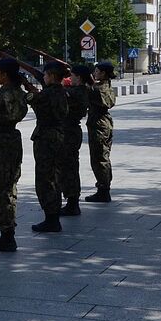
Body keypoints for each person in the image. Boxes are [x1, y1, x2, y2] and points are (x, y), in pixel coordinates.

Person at [0, 59, 29, 252]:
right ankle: (7, 232)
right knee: (8, 186)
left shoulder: (2, 95)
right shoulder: (18, 92)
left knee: (1, 188)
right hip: (12, 139)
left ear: (4, 75)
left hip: (2, 142)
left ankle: (6, 234)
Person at [28, 61, 69, 233]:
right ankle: (52, 217)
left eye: (45, 75)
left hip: (46, 139)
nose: (43, 77)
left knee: (46, 180)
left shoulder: (47, 94)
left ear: (51, 76)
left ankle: (51, 219)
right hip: (57, 137)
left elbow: (30, 99)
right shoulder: (61, 92)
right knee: (54, 177)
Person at [59, 64, 91, 216]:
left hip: (69, 132)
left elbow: (62, 93)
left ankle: (72, 203)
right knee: (69, 166)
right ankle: (72, 201)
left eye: (72, 75)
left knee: (69, 168)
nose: (69, 78)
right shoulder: (80, 90)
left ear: (78, 77)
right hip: (71, 130)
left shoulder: (77, 92)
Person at [86, 61, 117, 203]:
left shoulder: (97, 89)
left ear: (103, 73)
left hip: (99, 125)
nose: (94, 72)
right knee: (103, 157)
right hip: (103, 123)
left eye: (97, 71)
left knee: (99, 158)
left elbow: (90, 94)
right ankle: (104, 188)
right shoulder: (105, 85)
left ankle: (103, 190)